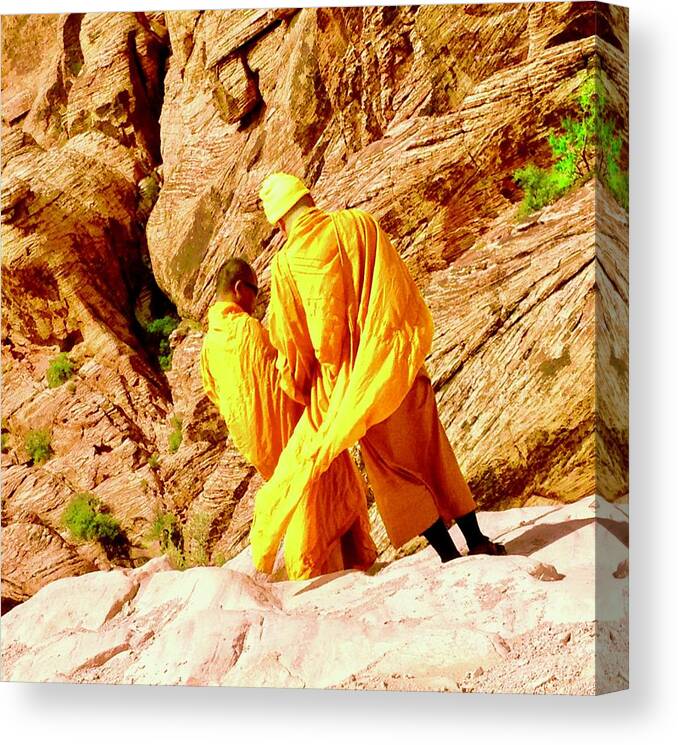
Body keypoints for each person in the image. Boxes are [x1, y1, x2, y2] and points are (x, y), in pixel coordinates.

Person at [249, 173, 505, 574]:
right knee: (434, 453)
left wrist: (298, 386)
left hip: (356, 388)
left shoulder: (285, 266)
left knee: (394, 474)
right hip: (396, 364)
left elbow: (292, 340)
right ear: (309, 199)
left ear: (279, 223)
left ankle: (451, 559)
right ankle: (478, 540)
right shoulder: (359, 224)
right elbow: (397, 288)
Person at [199, 257, 377, 579]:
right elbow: (288, 380)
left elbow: (219, 397)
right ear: (240, 290)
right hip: (291, 436)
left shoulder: (208, 347)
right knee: (320, 493)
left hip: (260, 449)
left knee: (304, 497)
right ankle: (319, 577)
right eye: (255, 291)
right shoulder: (248, 332)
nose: (256, 300)